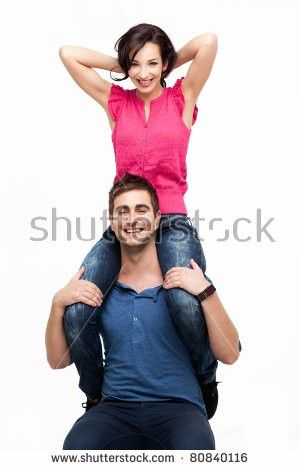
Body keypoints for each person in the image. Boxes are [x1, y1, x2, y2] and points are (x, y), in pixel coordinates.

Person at [58, 23, 221, 413]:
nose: (143, 73)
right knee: (78, 308)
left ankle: (204, 376)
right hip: (125, 225)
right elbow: (68, 53)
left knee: (183, 300)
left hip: (171, 222)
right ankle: (96, 394)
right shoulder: (116, 101)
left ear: (164, 64)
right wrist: (125, 64)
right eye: (135, 65)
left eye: (152, 64)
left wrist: (162, 63)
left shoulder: (182, 96)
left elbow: (207, 42)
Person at [45, 173, 241, 450]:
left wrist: (205, 290)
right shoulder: (102, 286)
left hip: (179, 408)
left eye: (141, 209)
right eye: (122, 211)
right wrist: (57, 304)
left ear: (158, 218)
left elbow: (230, 353)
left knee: (195, 454)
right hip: (115, 408)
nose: (132, 218)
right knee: (75, 451)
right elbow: (57, 361)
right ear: (112, 222)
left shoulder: (186, 281)